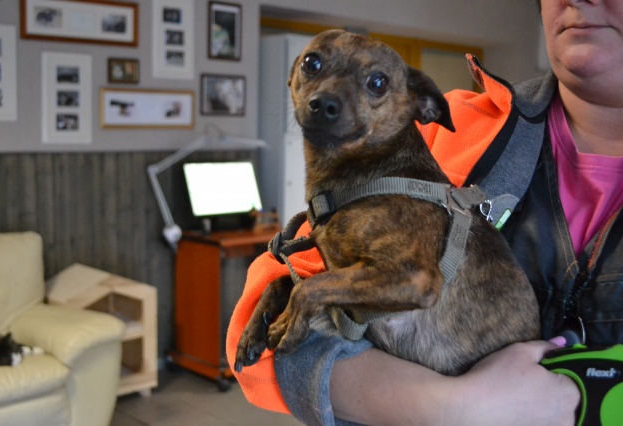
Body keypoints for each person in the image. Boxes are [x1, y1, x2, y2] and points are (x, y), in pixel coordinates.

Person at [226, 0, 623, 424]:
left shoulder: (398, 128)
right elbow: (255, 352)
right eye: (313, 65)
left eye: (375, 84)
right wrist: (452, 406)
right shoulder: (427, 135)